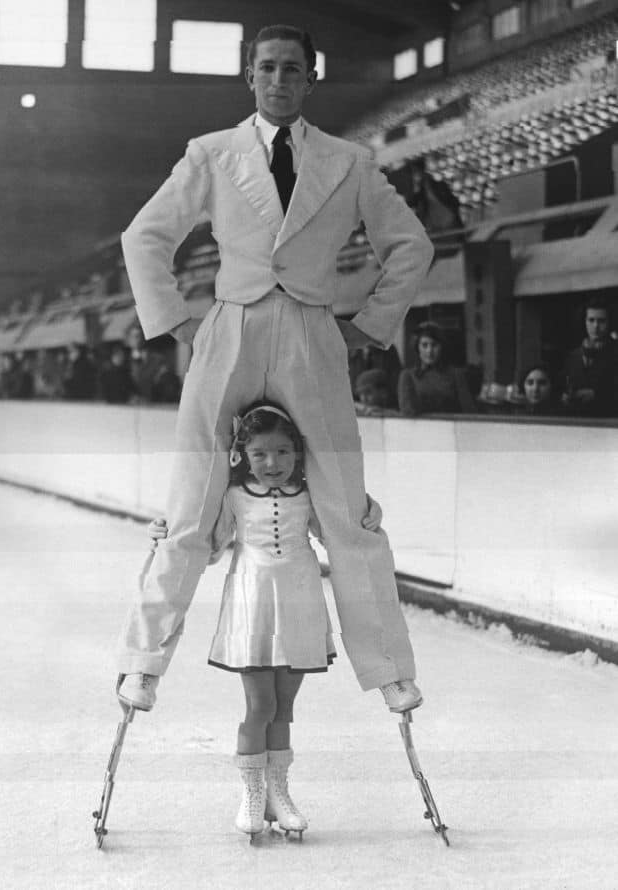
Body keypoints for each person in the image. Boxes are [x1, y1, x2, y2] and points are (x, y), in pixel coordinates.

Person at [117, 25, 433, 717]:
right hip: (227, 329)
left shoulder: (349, 162)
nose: (280, 80)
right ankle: (143, 663)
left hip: (313, 334)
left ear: (311, 79)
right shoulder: (213, 153)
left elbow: (411, 244)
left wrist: (369, 325)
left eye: (293, 69)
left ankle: (388, 668)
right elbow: (144, 236)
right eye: (268, 68)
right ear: (250, 77)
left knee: (346, 510)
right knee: (190, 508)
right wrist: (177, 323)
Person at [130, 404, 387, 839]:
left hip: (300, 601)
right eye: (262, 453)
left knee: (284, 708)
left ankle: (278, 794)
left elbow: (340, 533)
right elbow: (207, 547)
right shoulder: (234, 496)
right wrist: (165, 535)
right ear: (243, 455)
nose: (273, 464)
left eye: (284, 452)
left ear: (298, 454)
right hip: (252, 602)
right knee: (260, 706)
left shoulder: (309, 495)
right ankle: (251, 793)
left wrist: (369, 509)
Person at [398, 321, 476, 416]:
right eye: (424, 345)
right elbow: (407, 411)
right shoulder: (407, 376)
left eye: (434, 345)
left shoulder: (456, 374)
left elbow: (469, 412)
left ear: (442, 347)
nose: (429, 351)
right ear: (417, 348)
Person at [562, 299, 618, 417]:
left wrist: (597, 395)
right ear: (584, 322)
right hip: (577, 421)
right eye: (591, 320)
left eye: (601, 321)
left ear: (610, 322)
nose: (596, 326)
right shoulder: (573, 356)